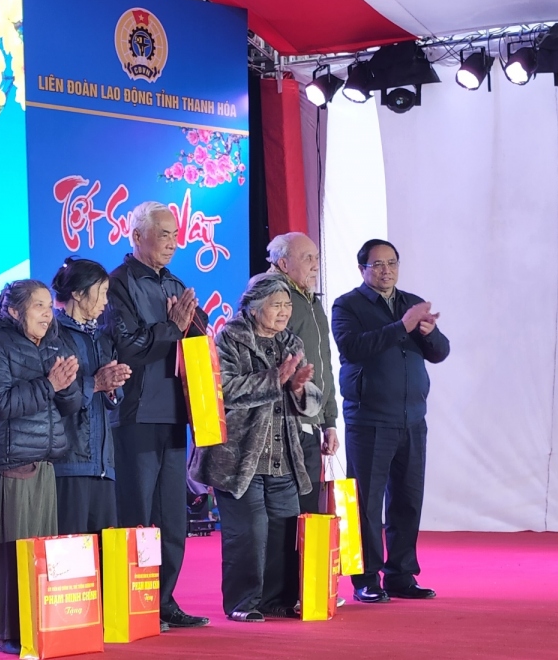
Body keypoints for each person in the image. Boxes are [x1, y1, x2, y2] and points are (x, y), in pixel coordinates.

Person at [102, 201, 210, 630]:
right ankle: (131, 603)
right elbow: (128, 347)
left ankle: (164, 601)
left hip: (175, 412)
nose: (172, 242)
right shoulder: (118, 283)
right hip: (136, 413)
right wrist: (172, 328)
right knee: (136, 513)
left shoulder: (175, 282)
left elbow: (194, 334)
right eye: (163, 234)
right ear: (136, 237)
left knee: (172, 518)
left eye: (175, 235)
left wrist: (193, 323)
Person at [190, 273, 322, 623]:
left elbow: (309, 401)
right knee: (247, 533)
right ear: (252, 307)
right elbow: (223, 389)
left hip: (283, 456)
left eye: (287, 305)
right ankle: (243, 601)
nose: (284, 311)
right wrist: (275, 379)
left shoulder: (291, 342)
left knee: (283, 530)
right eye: (276, 305)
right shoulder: (229, 338)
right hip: (238, 458)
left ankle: (276, 599)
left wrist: (298, 389)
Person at [332, 238, 450, 604]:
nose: (386, 271)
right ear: (362, 269)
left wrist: (430, 334)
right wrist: (403, 325)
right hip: (369, 419)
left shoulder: (411, 302)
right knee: (365, 504)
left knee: (407, 499)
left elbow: (440, 353)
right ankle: (365, 578)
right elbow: (352, 348)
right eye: (378, 264)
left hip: (412, 418)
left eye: (392, 263)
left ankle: (401, 575)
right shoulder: (347, 305)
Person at [0, 279, 82, 655]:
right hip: (13, 465)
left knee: (42, 555)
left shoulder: (52, 343)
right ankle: (9, 632)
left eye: (49, 306)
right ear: (15, 311)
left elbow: (70, 405)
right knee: (12, 554)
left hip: (46, 463)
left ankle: (40, 627)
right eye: (38, 306)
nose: (48, 314)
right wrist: (50, 384)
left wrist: (67, 385)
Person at [50, 257, 132, 534]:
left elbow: (112, 399)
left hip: (103, 464)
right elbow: (58, 393)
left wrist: (113, 387)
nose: (106, 302)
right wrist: (95, 383)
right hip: (69, 462)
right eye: (102, 292)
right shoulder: (55, 335)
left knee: (105, 550)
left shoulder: (102, 337)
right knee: (71, 551)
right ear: (77, 293)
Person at [266, 232, 340, 515]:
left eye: (317, 257)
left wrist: (329, 421)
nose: (315, 265)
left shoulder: (311, 300)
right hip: (283, 425)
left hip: (311, 423)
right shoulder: (270, 296)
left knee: (308, 515)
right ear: (284, 264)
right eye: (307, 258)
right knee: (287, 516)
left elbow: (324, 364)